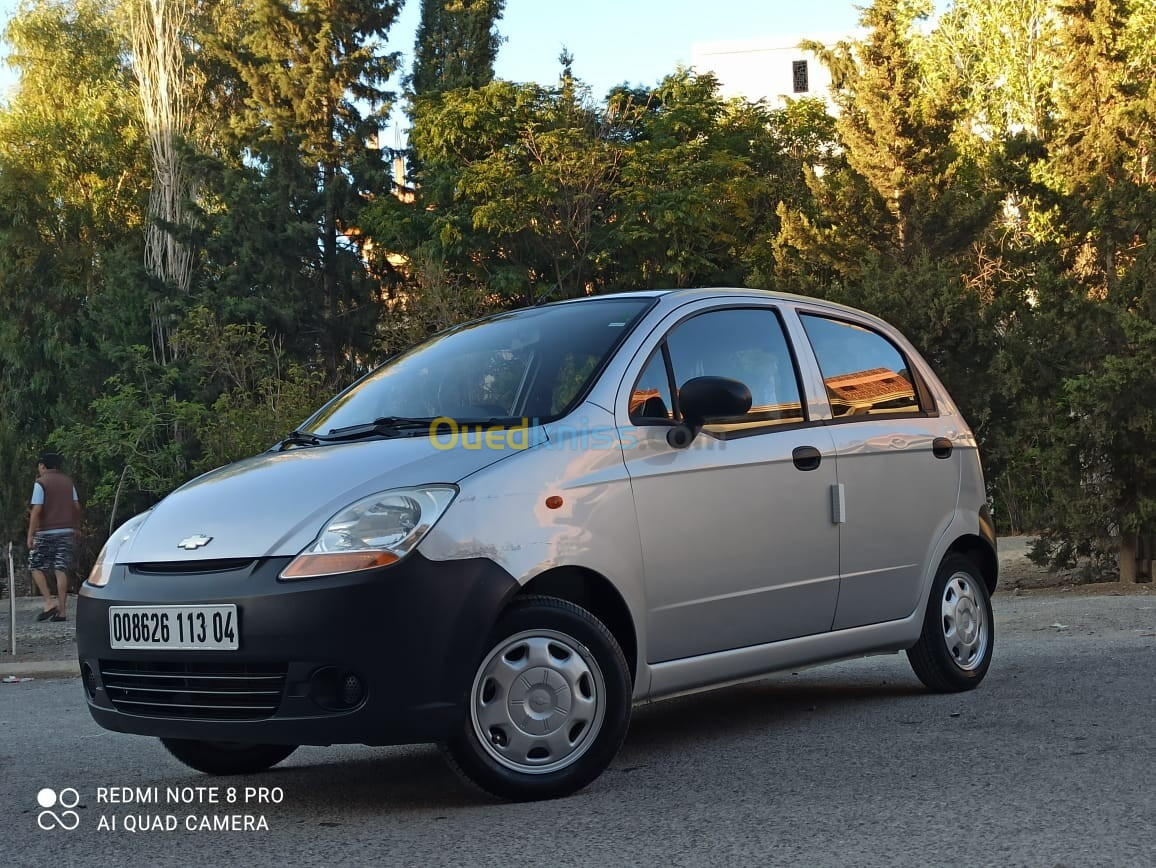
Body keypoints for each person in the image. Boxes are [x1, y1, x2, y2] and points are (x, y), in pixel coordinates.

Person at [27, 452, 81, 622]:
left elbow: (37, 510)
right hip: (66, 531)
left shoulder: (40, 483)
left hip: (46, 532)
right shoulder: (68, 482)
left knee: (35, 565)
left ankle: (49, 602)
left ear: (43, 465)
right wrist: (76, 526)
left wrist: (31, 534)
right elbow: (76, 507)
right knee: (60, 569)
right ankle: (63, 611)